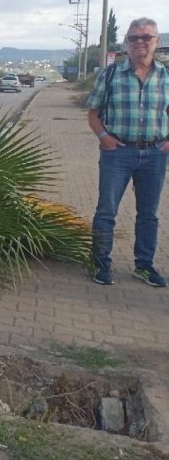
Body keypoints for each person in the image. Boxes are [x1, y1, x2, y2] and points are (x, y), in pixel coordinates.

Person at [85, 17, 169, 287]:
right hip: (117, 153)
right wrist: (103, 137)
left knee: (149, 214)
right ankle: (100, 262)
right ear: (126, 43)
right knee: (106, 210)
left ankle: (144, 265)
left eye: (146, 37)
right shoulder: (110, 75)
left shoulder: (166, 77)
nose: (140, 42)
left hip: (155, 155)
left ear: (156, 41)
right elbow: (93, 113)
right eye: (134, 38)